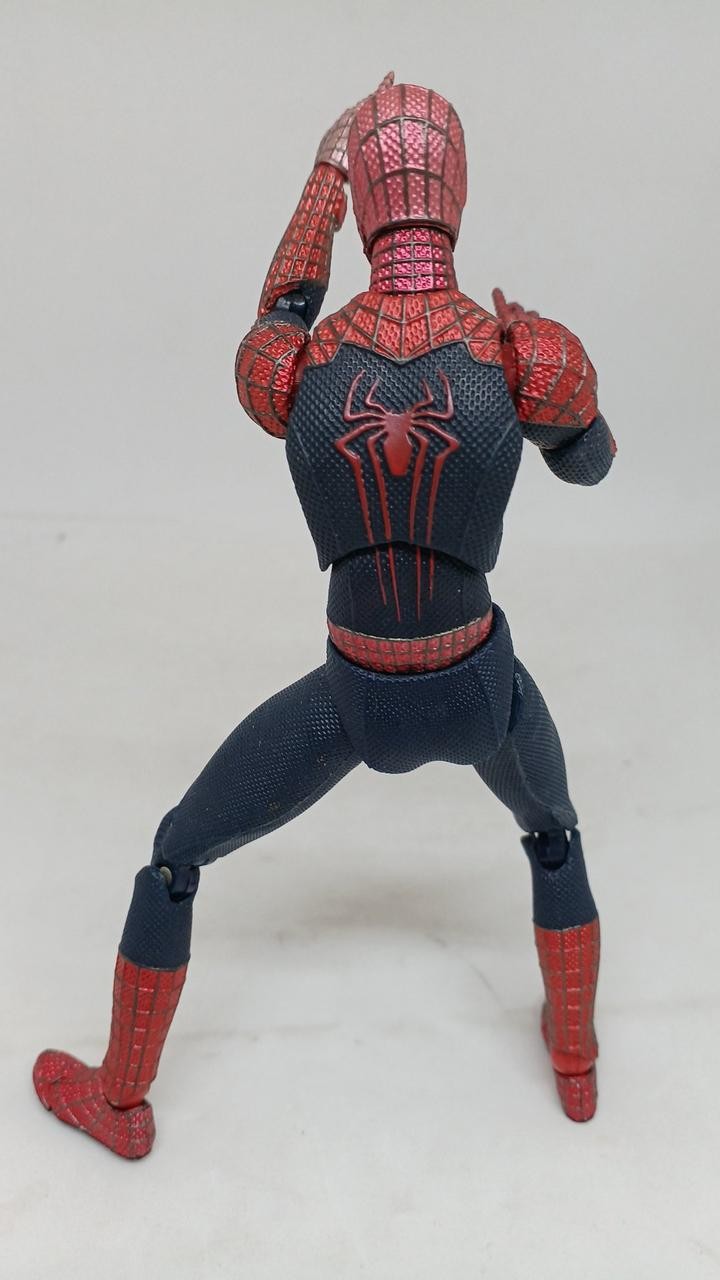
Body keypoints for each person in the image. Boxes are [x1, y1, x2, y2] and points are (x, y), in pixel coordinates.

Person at [34, 74, 615, 1158]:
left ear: (369, 199)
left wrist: (320, 176)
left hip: (353, 699)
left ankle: (119, 1097)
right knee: (553, 833)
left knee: (176, 856)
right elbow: (592, 463)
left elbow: (278, 315)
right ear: (456, 192)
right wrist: (551, 368)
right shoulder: (512, 355)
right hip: (482, 688)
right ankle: (576, 1062)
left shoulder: (299, 368)